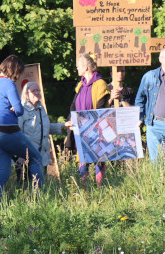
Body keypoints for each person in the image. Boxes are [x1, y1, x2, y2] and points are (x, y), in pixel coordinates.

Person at [0, 55, 43, 203]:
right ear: (16, 71)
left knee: (2, 174)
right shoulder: (9, 84)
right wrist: (14, 108)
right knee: (36, 158)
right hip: (8, 133)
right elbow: (19, 110)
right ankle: (39, 198)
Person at [68, 54, 110, 185]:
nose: (77, 69)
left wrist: (90, 124)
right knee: (83, 163)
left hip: (96, 131)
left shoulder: (100, 84)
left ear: (85, 67)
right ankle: (83, 192)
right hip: (81, 131)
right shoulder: (80, 85)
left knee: (99, 161)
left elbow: (101, 109)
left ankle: (100, 190)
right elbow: (73, 106)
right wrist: (71, 120)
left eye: (78, 66)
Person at [19, 81, 66, 178]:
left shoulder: (41, 108)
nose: (37, 93)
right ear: (26, 95)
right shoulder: (21, 110)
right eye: (33, 91)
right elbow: (16, 133)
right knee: (26, 188)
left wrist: (64, 125)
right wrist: (19, 154)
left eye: (38, 90)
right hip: (27, 156)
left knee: (40, 187)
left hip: (41, 155)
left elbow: (46, 128)